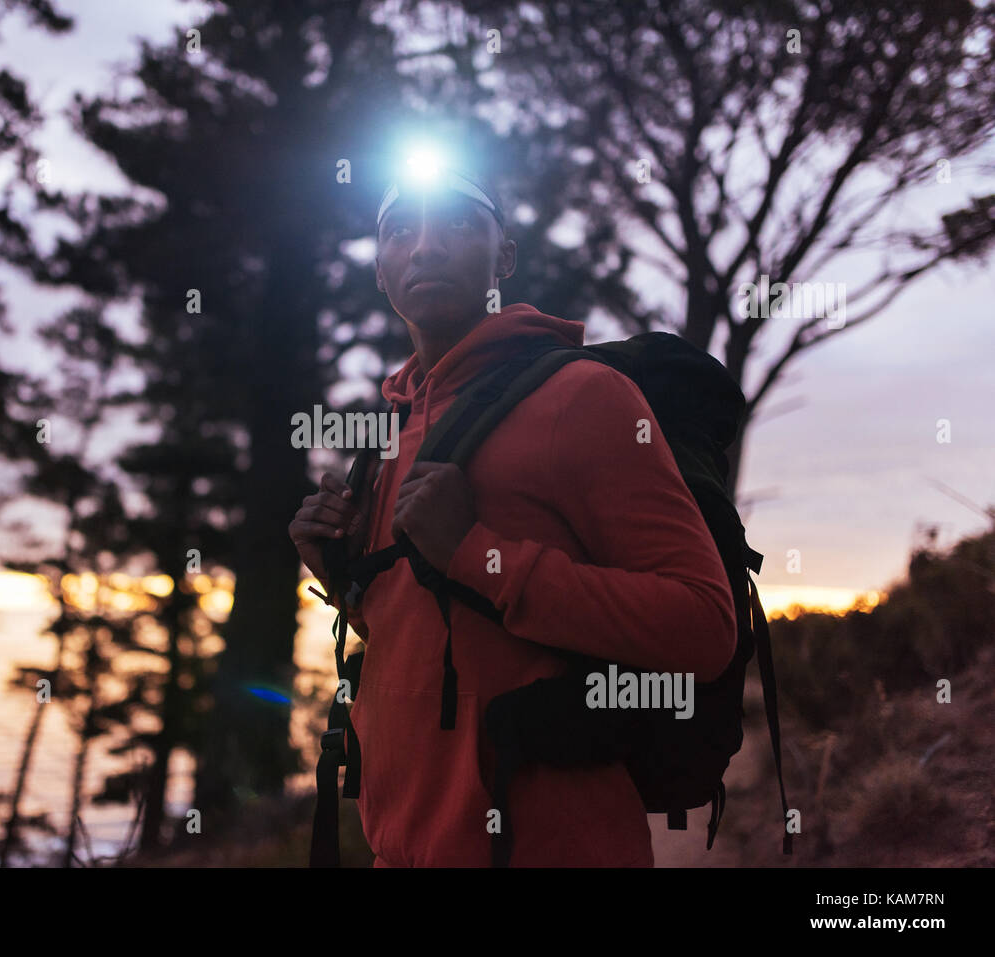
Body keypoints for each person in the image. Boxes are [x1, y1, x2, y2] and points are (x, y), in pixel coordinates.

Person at [288, 162, 736, 866]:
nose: (426, 247)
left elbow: (705, 624)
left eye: (458, 223)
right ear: (380, 270)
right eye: (400, 230)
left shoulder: (585, 396)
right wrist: (343, 578)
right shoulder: (385, 440)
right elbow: (442, 635)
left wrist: (475, 551)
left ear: (506, 256)